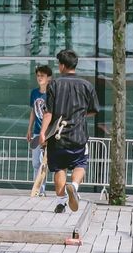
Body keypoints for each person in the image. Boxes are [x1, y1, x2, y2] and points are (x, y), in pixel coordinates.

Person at [39, 49, 99, 214]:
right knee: (80, 163)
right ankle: (74, 186)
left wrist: (43, 133)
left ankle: (60, 202)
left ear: (63, 65)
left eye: (59, 64)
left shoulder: (54, 84)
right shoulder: (87, 85)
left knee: (59, 168)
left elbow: (48, 112)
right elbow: (94, 110)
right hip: (78, 134)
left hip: (58, 135)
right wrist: (79, 114)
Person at [26, 64, 53, 195]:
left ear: (49, 77)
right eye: (38, 75)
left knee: (45, 162)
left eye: (42, 75)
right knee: (36, 162)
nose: (39, 78)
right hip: (37, 131)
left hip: (49, 133)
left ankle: (40, 190)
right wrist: (29, 128)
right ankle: (36, 188)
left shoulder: (52, 93)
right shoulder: (34, 93)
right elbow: (33, 111)